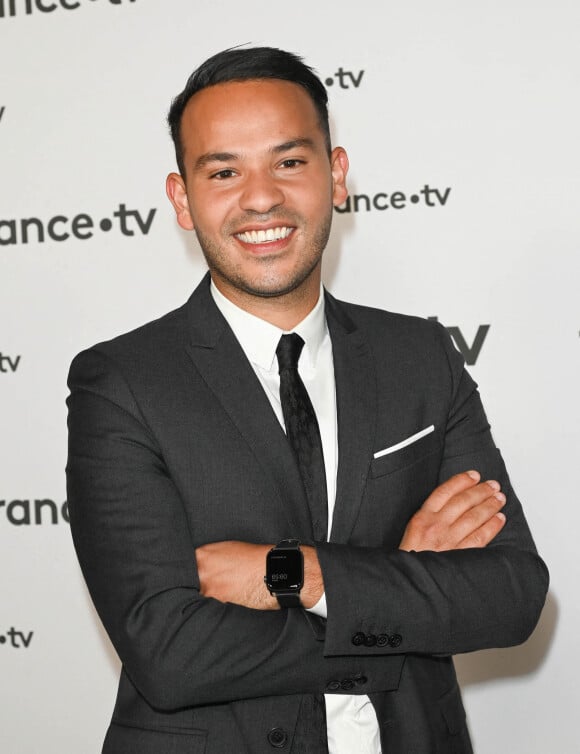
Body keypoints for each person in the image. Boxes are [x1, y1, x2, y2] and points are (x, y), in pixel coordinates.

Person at [67, 46, 548, 754]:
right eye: (224, 171)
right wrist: (401, 586)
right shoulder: (123, 383)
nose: (260, 198)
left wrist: (293, 574)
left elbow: (510, 594)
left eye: (289, 162)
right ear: (181, 199)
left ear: (337, 175)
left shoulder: (419, 357)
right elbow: (169, 653)